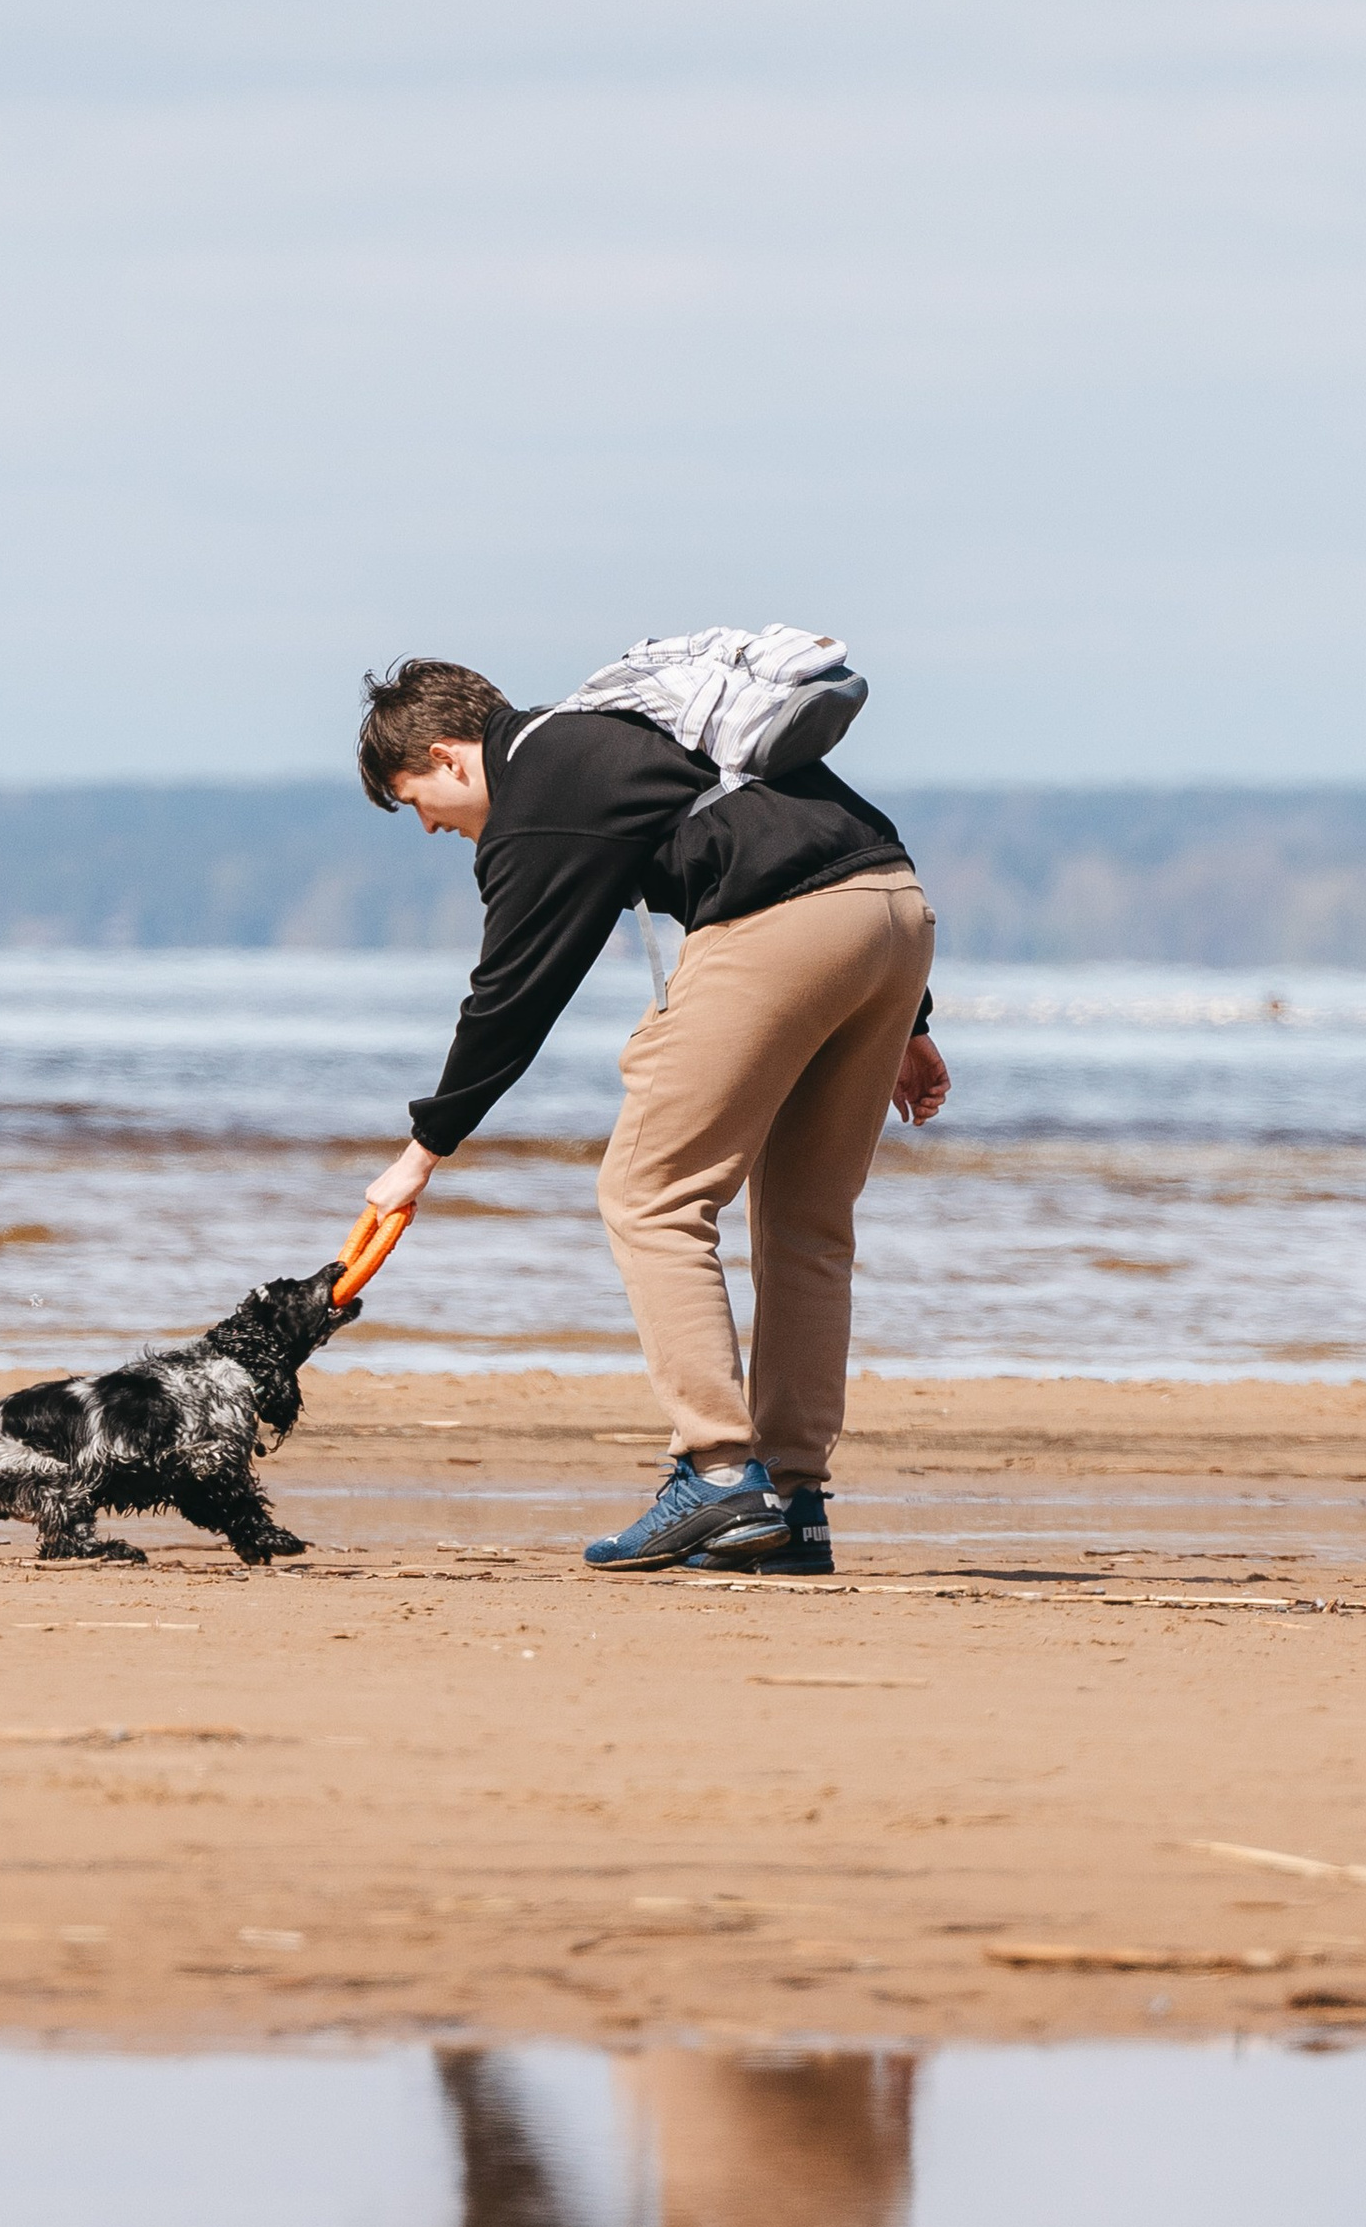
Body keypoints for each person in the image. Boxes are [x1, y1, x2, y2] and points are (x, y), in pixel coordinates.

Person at [357, 655, 946, 1575]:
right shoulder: (623, 731)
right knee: (808, 1224)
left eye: (417, 802)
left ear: (448, 756)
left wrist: (424, 1148)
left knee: (650, 1194)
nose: (431, 824)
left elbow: (514, 990)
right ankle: (792, 1503)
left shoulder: (538, 785)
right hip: (894, 910)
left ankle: (718, 1474)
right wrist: (906, 1016)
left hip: (782, 923)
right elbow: (817, 819)